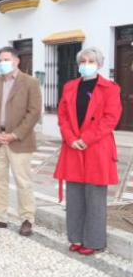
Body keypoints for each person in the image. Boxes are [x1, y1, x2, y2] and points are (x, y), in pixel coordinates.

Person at [54, 47, 121, 255]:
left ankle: (93, 241)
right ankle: (75, 237)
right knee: (74, 197)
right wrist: (71, 138)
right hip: (73, 148)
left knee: (94, 198)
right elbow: (62, 115)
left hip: (97, 148)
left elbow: (111, 118)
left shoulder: (110, 88)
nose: (86, 64)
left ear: (99, 65)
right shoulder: (70, 87)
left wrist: (87, 139)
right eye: (83, 61)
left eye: (90, 61)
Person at [0, 46, 42, 236]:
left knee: (23, 182)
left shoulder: (30, 82)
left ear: (16, 61)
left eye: (5, 59)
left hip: (19, 141)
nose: (2, 63)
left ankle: (27, 219)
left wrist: (14, 134)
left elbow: (34, 112)